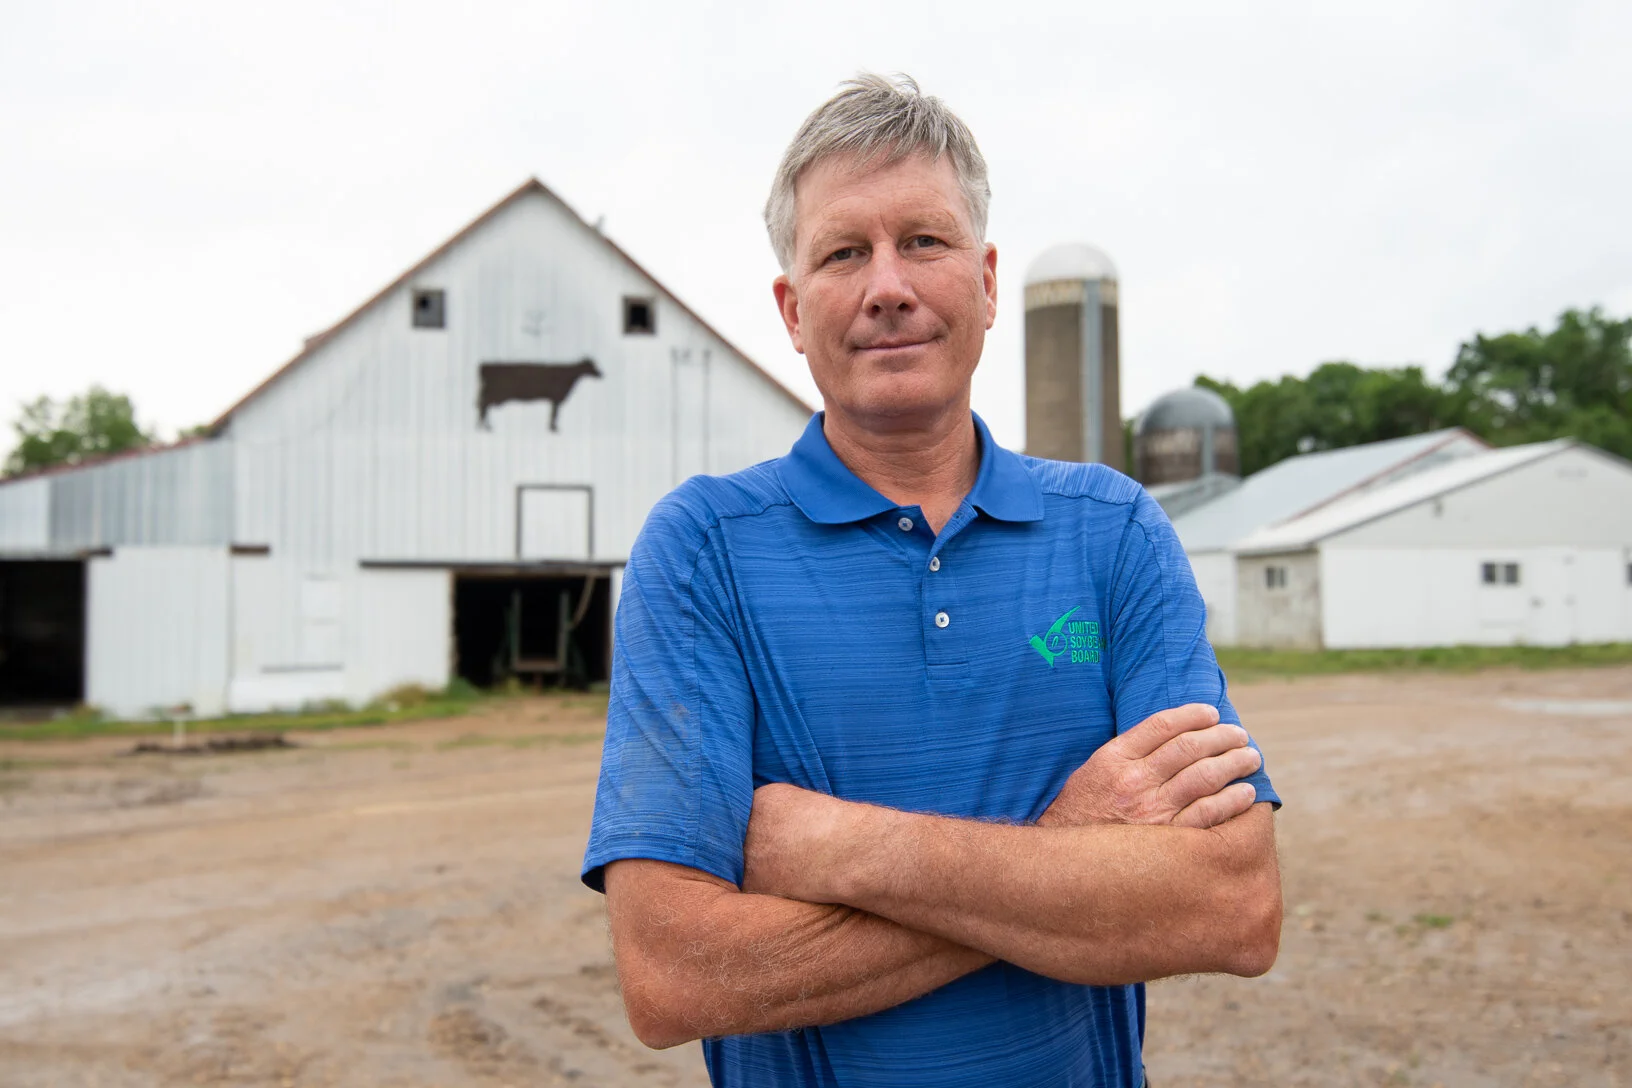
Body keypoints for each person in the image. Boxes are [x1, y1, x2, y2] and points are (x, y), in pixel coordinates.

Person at [582, 73, 1282, 1088]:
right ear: (791, 308)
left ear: (988, 282)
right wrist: (1069, 847)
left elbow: (1231, 905)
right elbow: (673, 973)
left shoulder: (1114, 532)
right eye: (843, 252)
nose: (887, 285)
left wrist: (841, 847)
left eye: (924, 240)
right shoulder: (702, 552)